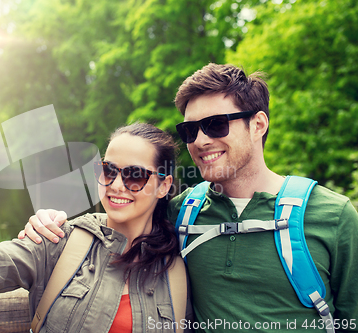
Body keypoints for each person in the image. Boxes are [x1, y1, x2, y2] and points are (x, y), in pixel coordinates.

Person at [20, 63, 358, 332]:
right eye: (190, 130)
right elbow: (116, 218)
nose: (199, 140)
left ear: (258, 125)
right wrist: (49, 222)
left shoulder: (333, 216)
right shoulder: (179, 213)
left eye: (215, 124)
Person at [0, 123, 193, 333]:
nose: (116, 185)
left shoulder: (178, 269)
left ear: (163, 185)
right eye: (108, 170)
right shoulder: (59, 239)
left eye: (135, 176)